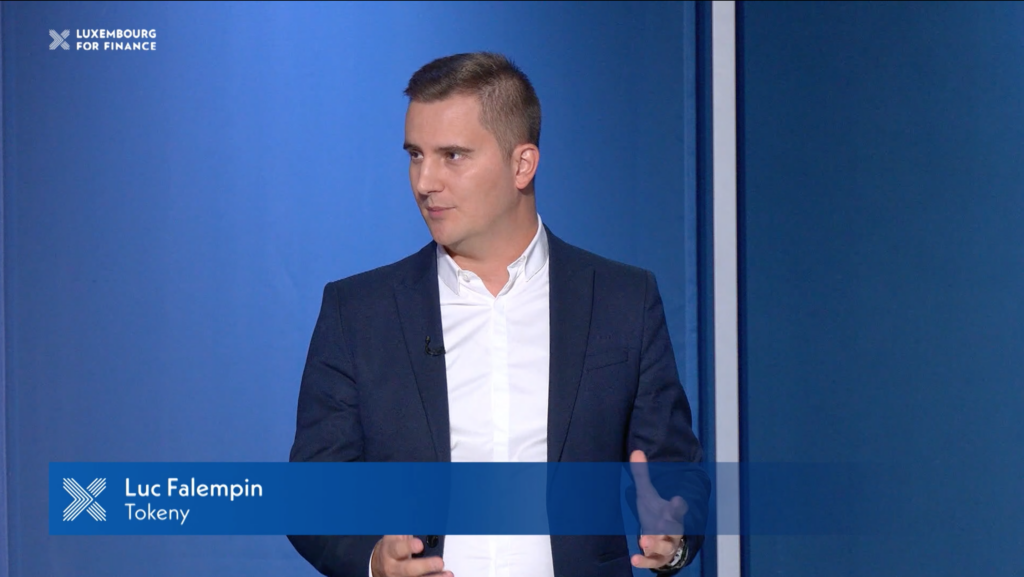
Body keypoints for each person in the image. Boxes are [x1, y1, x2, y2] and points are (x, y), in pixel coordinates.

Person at [288, 52, 708, 577]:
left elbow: (675, 474)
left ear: (522, 165)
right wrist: (374, 561)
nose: (425, 181)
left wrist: (674, 537)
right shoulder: (360, 312)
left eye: (453, 156)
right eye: (415, 155)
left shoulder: (622, 300)